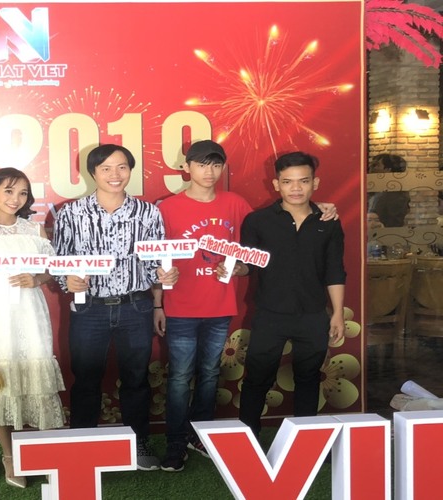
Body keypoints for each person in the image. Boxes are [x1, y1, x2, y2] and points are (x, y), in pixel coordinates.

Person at [52, 144, 177, 471]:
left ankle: (139, 443)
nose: (115, 174)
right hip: (88, 309)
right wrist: (67, 280)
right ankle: (81, 447)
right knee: (86, 380)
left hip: (135, 307)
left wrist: (164, 277)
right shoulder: (71, 213)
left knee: (136, 379)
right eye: (106, 168)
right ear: (92, 173)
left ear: (130, 171)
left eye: (122, 167)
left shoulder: (148, 213)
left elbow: (155, 262)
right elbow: (59, 260)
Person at [0, 167, 66, 488]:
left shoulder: (35, 230)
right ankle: (9, 456)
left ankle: (46, 455)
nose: (15, 199)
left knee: (38, 383)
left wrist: (37, 278)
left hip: (32, 317)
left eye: (22, 193)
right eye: (8, 191)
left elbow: (52, 269)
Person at [155, 140, 253, 472]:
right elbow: (156, 260)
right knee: (180, 376)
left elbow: (256, 249)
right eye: (201, 164)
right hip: (181, 307)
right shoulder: (168, 208)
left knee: (210, 374)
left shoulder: (236, 204)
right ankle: (175, 443)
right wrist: (158, 304)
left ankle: (200, 436)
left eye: (215, 164)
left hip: (220, 306)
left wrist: (241, 268)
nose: (209, 172)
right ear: (186, 167)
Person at [233, 151, 346, 437]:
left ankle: (305, 441)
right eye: (287, 182)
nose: (296, 188)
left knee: (309, 379)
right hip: (270, 314)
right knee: (257, 379)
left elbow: (335, 270)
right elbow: (248, 264)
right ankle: (247, 440)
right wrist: (236, 268)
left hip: (312, 315)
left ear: (315, 183)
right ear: (276, 184)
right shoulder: (258, 221)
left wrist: (337, 314)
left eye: (303, 181)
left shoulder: (329, 222)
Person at [368, 153, 410, 227]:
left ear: (388, 169)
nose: (371, 168)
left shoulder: (394, 194)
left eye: (376, 165)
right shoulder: (378, 191)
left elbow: (394, 222)